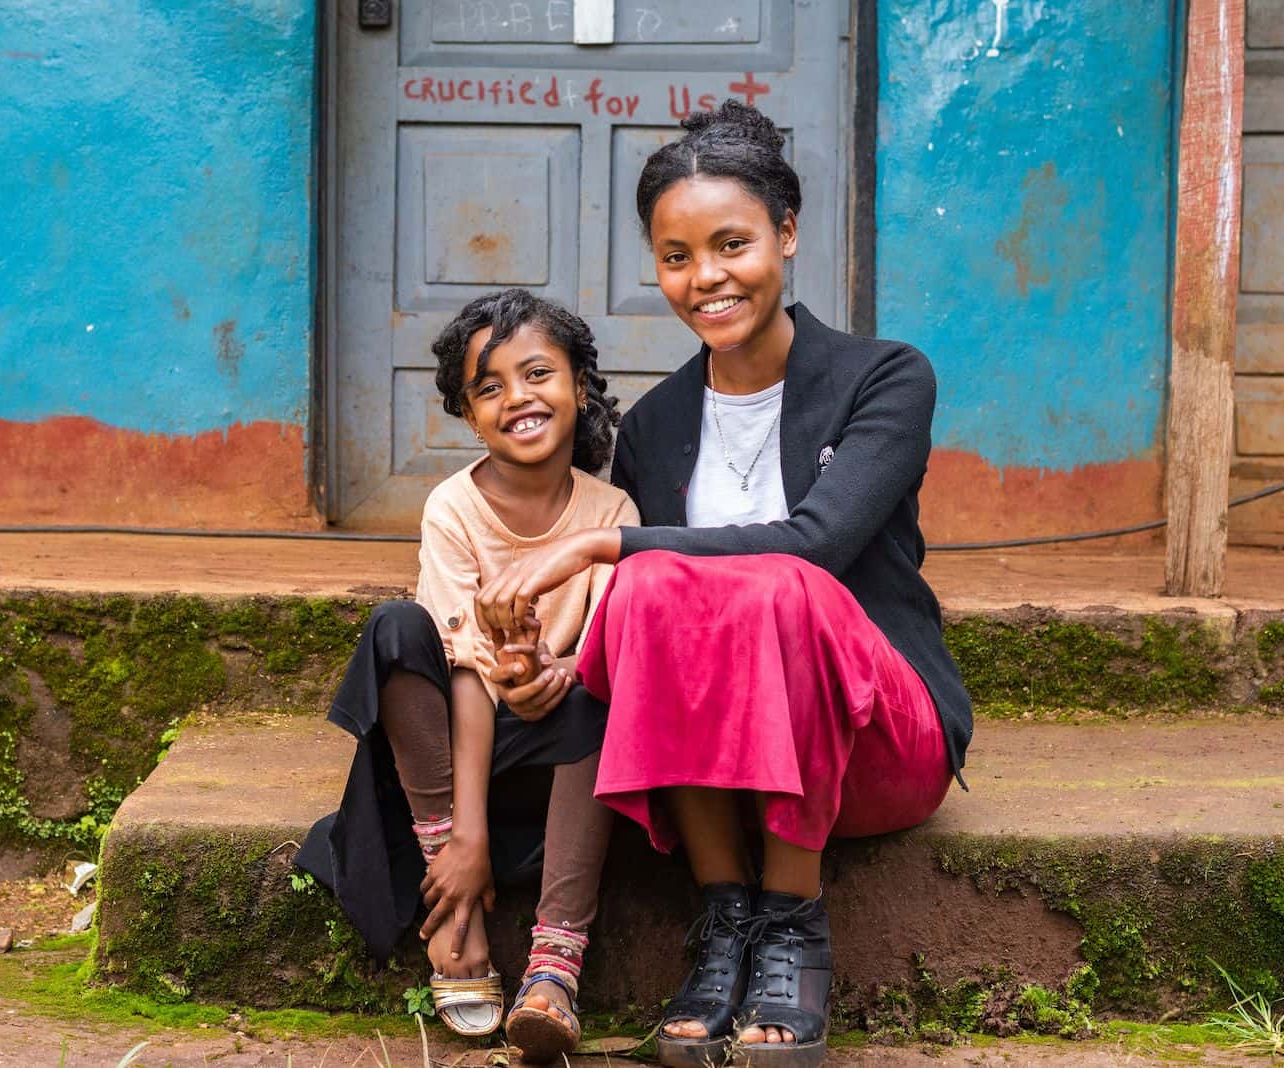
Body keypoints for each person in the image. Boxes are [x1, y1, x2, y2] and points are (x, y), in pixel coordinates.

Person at [471, 102, 973, 1068]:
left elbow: (816, 546)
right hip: (713, 762)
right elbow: (660, 632)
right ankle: (725, 912)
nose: (706, 279)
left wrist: (598, 548)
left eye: (732, 243)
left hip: (873, 740)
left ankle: (793, 922)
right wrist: (558, 672)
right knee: (657, 587)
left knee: (771, 582)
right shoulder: (655, 427)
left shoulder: (885, 378)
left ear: (786, 234)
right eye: (675, 256)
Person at [295, 288, 639, 1062]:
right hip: (451, 758)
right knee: (396, 627)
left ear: (579, 386)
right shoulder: (454, 507)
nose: (518, 397)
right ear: (468, 412)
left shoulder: (611, 511)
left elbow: (611, 647)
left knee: (604, 693)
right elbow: (463, 675)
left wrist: (560, 673)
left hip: (564, 761)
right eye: (490, 387)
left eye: (538, 374)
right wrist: (467, 840)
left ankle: (555, 962)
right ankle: (456, 900)